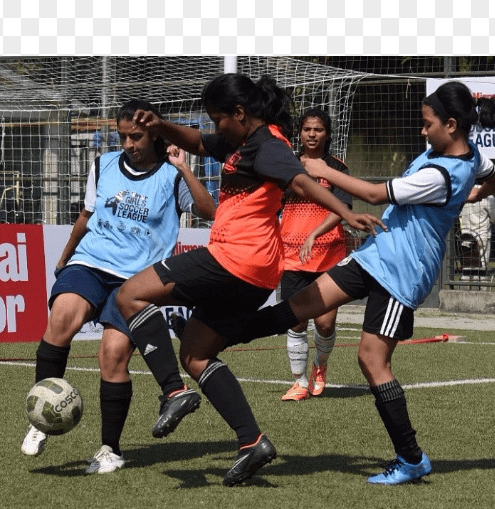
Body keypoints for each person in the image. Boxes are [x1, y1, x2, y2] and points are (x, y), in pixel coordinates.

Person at [228, 80, 495, 485]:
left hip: (403, 273)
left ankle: (411, 458)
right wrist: (469, 194)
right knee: (305, 302)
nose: (422, 131)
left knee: (372, 360)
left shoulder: (441, 174)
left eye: (427, 124)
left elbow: (376, 195)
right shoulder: (467, 156)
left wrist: (324, 171)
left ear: (451, 125)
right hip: (377, 254)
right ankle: (231, 332)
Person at [115, 73, 385, 486]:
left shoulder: (268, 146)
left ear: (239, 113)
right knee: (196, 353)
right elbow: (198, 141)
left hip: (234, 259)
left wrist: (347, 214)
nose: (215, 125)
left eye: (218, 118)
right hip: (255, 270)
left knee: (130, 295)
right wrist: (160, 125)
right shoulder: (242, 140)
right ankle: (251, 441)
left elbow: (300, 181)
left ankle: (172, 391)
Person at [20, 99, 216, 475]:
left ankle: (109, 449)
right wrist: (65, 257)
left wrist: (185, 168)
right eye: (123, 136)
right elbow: (87, 215)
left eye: (137, 136)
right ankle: (41, 414)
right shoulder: (103, 164)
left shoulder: (172, 175)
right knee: (63, 317)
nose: (128, 144)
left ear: (156, 134)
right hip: (91, 262)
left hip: (137, 281)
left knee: (112, 354)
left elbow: (210, 212)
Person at [278, 107, 352, 402]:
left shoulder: (337, 169)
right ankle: (298, 382)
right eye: (307, 129)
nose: (312, 134)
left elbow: (342, 209)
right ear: (299, 133)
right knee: (295, 321)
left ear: (327, 134)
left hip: (328, 256)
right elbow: (273, 204)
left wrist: (314, 233)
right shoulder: (287, 167)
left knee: (324, 323)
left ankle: (320, 366)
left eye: (318, 129)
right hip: (292, 256)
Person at [458, 185, 495, 269]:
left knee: (467, 267)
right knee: (482, 267)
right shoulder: (488, 196)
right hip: (482, 235)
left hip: (467, 235)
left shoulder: (465, 193)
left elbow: (460, 215)